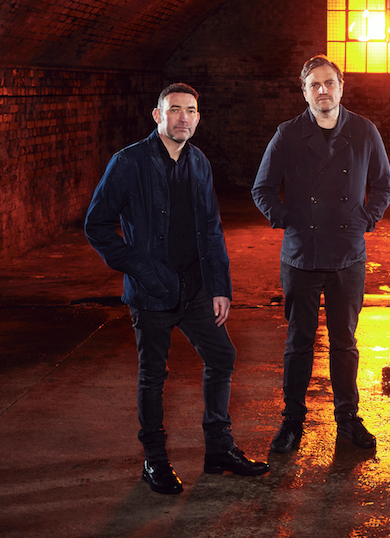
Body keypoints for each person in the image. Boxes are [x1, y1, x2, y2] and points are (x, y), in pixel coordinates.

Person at [84, 83, 269, 495]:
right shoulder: (128, 162)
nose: (182, 117)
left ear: (198, 117)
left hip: (196, 287)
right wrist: (140, 267)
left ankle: (219, 449)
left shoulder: (199, 161)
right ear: (158, 115)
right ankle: (155, 461)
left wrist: (220, 285)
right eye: (174, 110)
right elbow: (96, 225)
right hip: (151, 292)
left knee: (222, 356)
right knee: (153, 376)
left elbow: (211, 228)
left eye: (190, 111)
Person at [252, 55, 390, 452]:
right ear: (304, 91)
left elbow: (385, 185)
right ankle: (292, 422)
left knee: (344, 342)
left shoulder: (364, 131)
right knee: (299, 342)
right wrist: (287, 219)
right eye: (314, 85)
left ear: (341, 87)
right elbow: (261, 188)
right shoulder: (288, 133)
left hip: (348, 254)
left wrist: (366, 218)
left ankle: (348, 420)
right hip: (301, 255)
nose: (323, 91)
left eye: (329, 83)